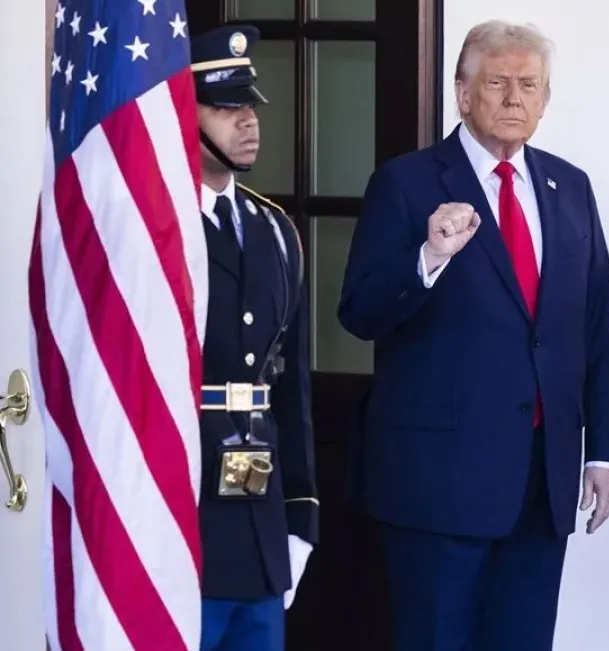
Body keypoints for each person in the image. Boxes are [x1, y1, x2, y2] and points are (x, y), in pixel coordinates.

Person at [338, 19, 609, 651]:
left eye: (530, 85)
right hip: (438, 482)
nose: (514, 97)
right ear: (463, 95)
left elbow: (593, 327)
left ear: (546, 100)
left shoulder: (569, 187)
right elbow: (358, 312)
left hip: (542, 477)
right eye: (497, 82)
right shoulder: (407, 184)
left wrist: (602, 451)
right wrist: (428, 258)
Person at [189, 24, 318, 651]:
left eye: (251, 106)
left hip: (259, 520)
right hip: (177, 513)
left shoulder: (275, 231)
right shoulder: (155, 226)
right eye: (225, 106)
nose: (248, 122)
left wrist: (301, 516)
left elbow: (289, 384)